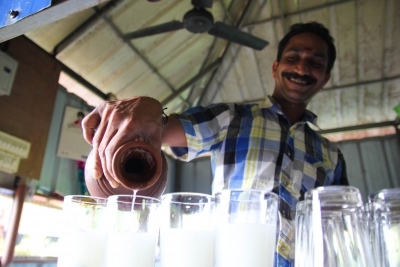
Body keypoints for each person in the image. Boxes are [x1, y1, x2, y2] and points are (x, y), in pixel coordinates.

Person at [82, 21, 348, 266]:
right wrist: (149, 110)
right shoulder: (233, 119)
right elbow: (157, 133)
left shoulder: (332, 155)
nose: (302, 68)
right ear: (275, 67)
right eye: (293, 58)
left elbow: (337, 228)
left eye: (315, 63)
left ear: (325, 78)